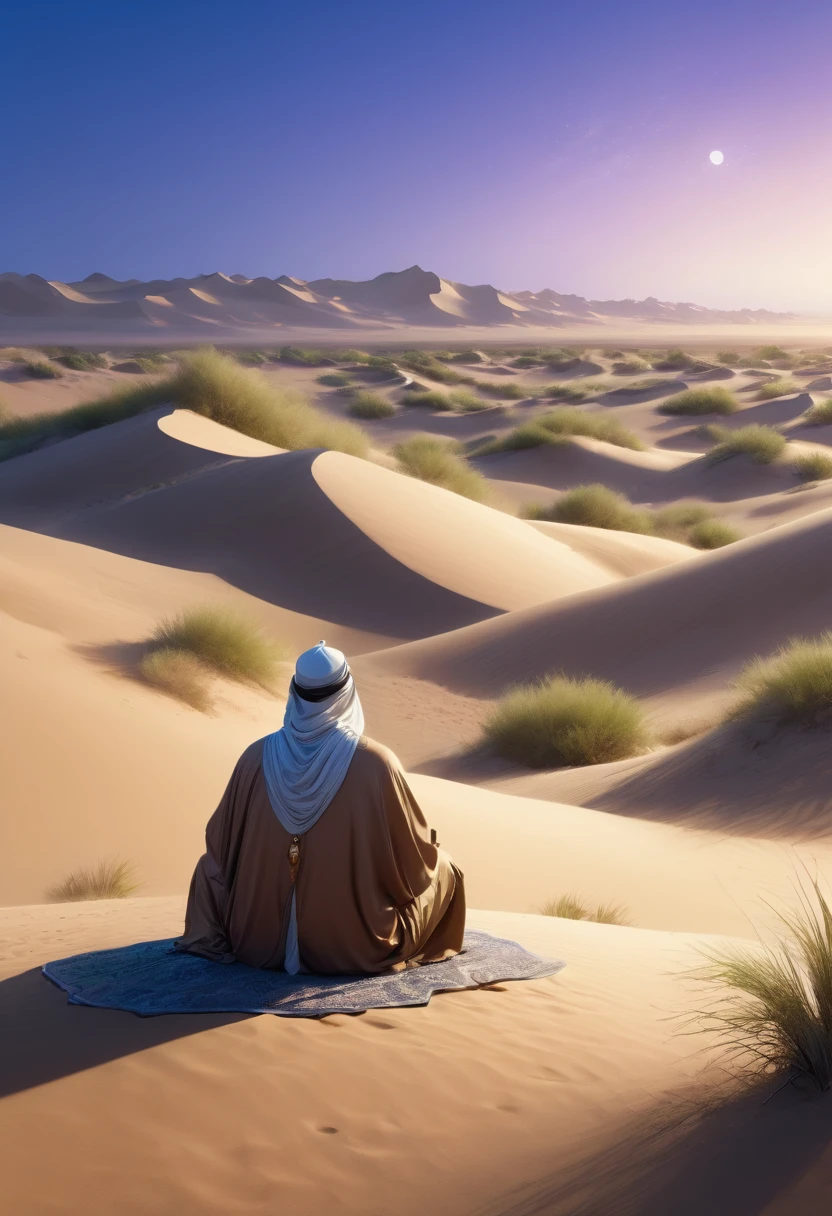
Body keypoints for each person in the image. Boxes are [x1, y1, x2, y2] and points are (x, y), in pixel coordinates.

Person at [175, 641, 465, 974]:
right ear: (347, 694)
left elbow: (219, 848)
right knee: (445, 867)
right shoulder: (376, 763)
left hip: (254, 939)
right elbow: (414, 865)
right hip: (355, 943)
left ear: (294, 694)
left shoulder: (254, 758)